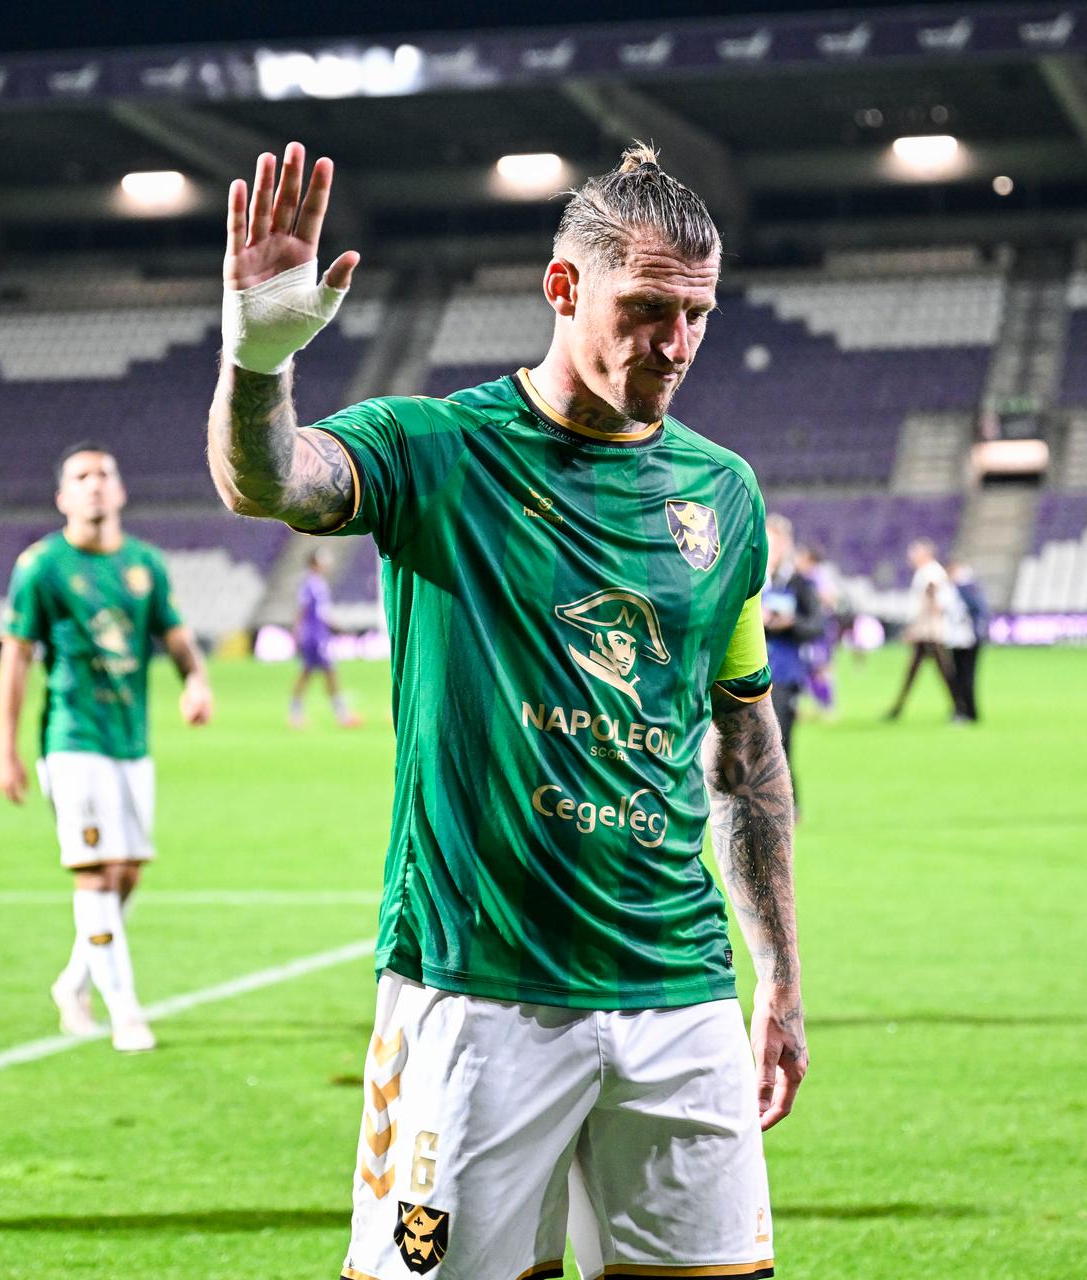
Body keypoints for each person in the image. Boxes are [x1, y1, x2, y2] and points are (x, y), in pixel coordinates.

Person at [209, 141, 803, 1279]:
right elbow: (268, 479)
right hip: (477, 994)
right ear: (563, 287)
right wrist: (258, 358)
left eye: (697, 316)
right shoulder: (436, 450)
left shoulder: (725, 495)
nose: (675, 344)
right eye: (646, 309)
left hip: (681, 991)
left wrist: (776, 969)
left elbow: (743, 749)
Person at [0, 442, 215, 1054]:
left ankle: (73, 982)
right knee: (93, 872)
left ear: (120, 491)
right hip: (73, 739)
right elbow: (16, 658)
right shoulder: (42, 566)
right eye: (81, 476)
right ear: (62, 497)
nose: (94, 484)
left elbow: (175, 635)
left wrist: (196, 681)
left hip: (131, 741)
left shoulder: (145, 564)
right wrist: (6, 748)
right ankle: (125, 1012)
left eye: (104, 474)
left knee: (127, 872)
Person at [761, 517, 824, 817]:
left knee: (780, 741)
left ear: (786, 545)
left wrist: (790, 623)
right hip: (748, 675)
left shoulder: (799, 584)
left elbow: (816, 625)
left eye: (775, 544)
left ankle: (788, 806)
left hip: (784, 675)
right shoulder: (751, 581)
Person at [884, 538, 963, 722]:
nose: (911, 558)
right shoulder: (927, 571)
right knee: (918, 669)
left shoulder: (930, 571)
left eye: (914, 554)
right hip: (925, 628)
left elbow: (933, 592)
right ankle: (898, 708)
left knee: (942, 669)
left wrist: (915, 625)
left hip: (929, 629)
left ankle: (959, 707)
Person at [288, 551, 362, 728]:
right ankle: (341, 715)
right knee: (326, 672)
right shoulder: (312, 584)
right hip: (315, 636)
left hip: (317, 635)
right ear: (315, 563)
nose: (327, 564)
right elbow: (307, 610)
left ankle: (296, 713)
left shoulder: (316, 583)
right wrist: (298, 631)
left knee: (310, 672)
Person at [794, 543, 840, 720]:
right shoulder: (803, 577)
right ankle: (818, 704)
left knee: (821, 667)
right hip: (809, 629)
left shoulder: (819, 575)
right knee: (809, 667)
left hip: (821, 629)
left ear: (809, 559)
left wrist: (814, 596)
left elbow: (831, 599)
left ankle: (829, 707)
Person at [947, 560, 988, 723]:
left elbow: (975, 611)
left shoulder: (963, 588)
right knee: (964, 675)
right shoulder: (970, 587)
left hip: (965, 638)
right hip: (966, 637)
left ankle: (967, 711)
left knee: (964, 675)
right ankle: (967, 710)